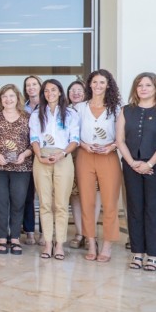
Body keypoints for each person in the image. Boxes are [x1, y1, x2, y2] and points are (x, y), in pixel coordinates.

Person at [29, 79, 80, 261]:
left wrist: (62, 154)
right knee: (44, 203)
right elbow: (34, 138)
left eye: (53, 90)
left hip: (63, 157)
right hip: (41, 157)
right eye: (46, 91)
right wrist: (39, 156)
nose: (49, 93)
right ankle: (48, 243)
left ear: (60, 92)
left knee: (61, 204)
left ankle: (59, 244)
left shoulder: (71, 114)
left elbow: (75, 139)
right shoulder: (37, 114)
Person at [0, 84, 33, 255]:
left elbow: (34, 143)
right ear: (0, 99)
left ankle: (15, 237)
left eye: (11, 96)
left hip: (22, 167)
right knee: (1, 202)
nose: (8, 99)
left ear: (18, 98)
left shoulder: (28, 117)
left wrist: (24, 155)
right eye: (4, 96)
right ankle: (2, 237)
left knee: (18, 201)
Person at [76, 70, 121, 263]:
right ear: (89, 84)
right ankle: (91, 243)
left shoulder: (117, 109)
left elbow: (122, 135)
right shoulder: (80, 108)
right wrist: (83, 144)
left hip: (108, 157)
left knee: (110, 203)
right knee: (87, 201)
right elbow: (73, 133)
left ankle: (107, 245)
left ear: (108, 85)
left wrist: (112, 146)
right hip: (85, 155)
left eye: (102, 82)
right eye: (95, 82)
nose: (98, 86)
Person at [116, 72, 156, 271]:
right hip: (131, 166)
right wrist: (132, 163)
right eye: (140, 85)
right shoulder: (126, 111)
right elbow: (120, 140)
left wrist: (149, 164)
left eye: (148, 85)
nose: (143, 89)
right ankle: (137, 253)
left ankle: (153, 255)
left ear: (155, 88)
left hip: (154, 166)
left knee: (152, 210)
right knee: (134, 209)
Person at [66, 80, 92, 249]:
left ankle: (90, 234)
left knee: (89, 196)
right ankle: (79, 233)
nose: (75, 93)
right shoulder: (65, 111)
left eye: (79, 90)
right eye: (72, 90)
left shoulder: (90, 109)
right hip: (70, 156)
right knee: (75, 196)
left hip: (89, 155)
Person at [22, 75, 43, 245]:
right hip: (26, 156)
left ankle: (44, 232)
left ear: (40, 86)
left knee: (44, 196)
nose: (31, 87)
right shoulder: (22, 108)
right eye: (28, 85)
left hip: (44, 154)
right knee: (28, 195)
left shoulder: (49, 106)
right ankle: (29, 231)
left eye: (34, 84)